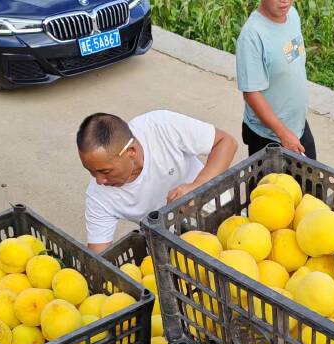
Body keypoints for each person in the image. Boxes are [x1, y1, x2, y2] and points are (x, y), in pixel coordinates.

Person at [76, 111, 238, 253]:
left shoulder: (161, 127)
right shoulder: (98, 197)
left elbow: (226, 142)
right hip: (170, 243)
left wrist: (197, 186)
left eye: (105, 171)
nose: (99, 180)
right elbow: (100, 257)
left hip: (215, 208)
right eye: (91, 171)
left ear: (131, 151)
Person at [236, 0, 316, 159]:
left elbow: (290, 60)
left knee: (312, 183)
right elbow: (252, 94)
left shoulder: (292, 15)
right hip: (269, 136)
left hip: (297, 126)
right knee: (271, 184)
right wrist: (283, 134)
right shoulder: (252, 36)